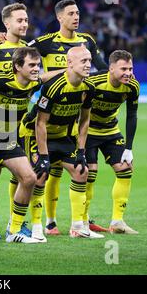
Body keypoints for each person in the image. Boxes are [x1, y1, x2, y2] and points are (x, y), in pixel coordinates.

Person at [27, 0, 109, 235]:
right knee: (45, 173)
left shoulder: (87, 42)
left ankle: (80, 222)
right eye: (71, 13)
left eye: (78, 13)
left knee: (80, 170)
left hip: (69, 119)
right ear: (60, 18)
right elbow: (22, 60)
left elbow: (101, 68)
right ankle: (47, 222)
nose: (76, 17)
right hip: (44, 112)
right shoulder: (46, 42)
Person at [0, 47, 63, 243]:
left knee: (29, 178)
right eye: (32, 65)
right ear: (17, 66)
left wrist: (67, 70)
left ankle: (14, 230)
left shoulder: (32, 84)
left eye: (38, 65)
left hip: (8, 139)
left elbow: (45, 77)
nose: (37, 69)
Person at [33, 46, 103, 238]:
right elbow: (40, 123)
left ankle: (78, 227)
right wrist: (44, 156)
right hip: (38, 135)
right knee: (40, 175)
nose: (89, 65)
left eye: (89, 60)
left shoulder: (88, 87)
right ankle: (37, 227)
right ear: (69, 63)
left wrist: (81, 151)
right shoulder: (54, 87)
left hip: (63, 137)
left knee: (82, 172)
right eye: (84, 61)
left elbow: (85, 120)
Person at [0, 2, 29, 240]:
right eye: (19, 20)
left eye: (26, 20)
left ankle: (16, 221)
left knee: (22, 176)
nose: (24, 24)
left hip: (18, 122)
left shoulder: (31, 50)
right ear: (6, 23)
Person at [85, 50, 140, 234]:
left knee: (125, 170)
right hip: (88, 133)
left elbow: (132, 115)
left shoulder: (132, 86)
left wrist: (129, 148)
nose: (128, 73)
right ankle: (82, 219)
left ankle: (117, 222)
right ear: (111, 68)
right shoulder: (93, 83)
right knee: (89, 174)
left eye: (130, 68)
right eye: (123, 68)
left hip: (111, 131)